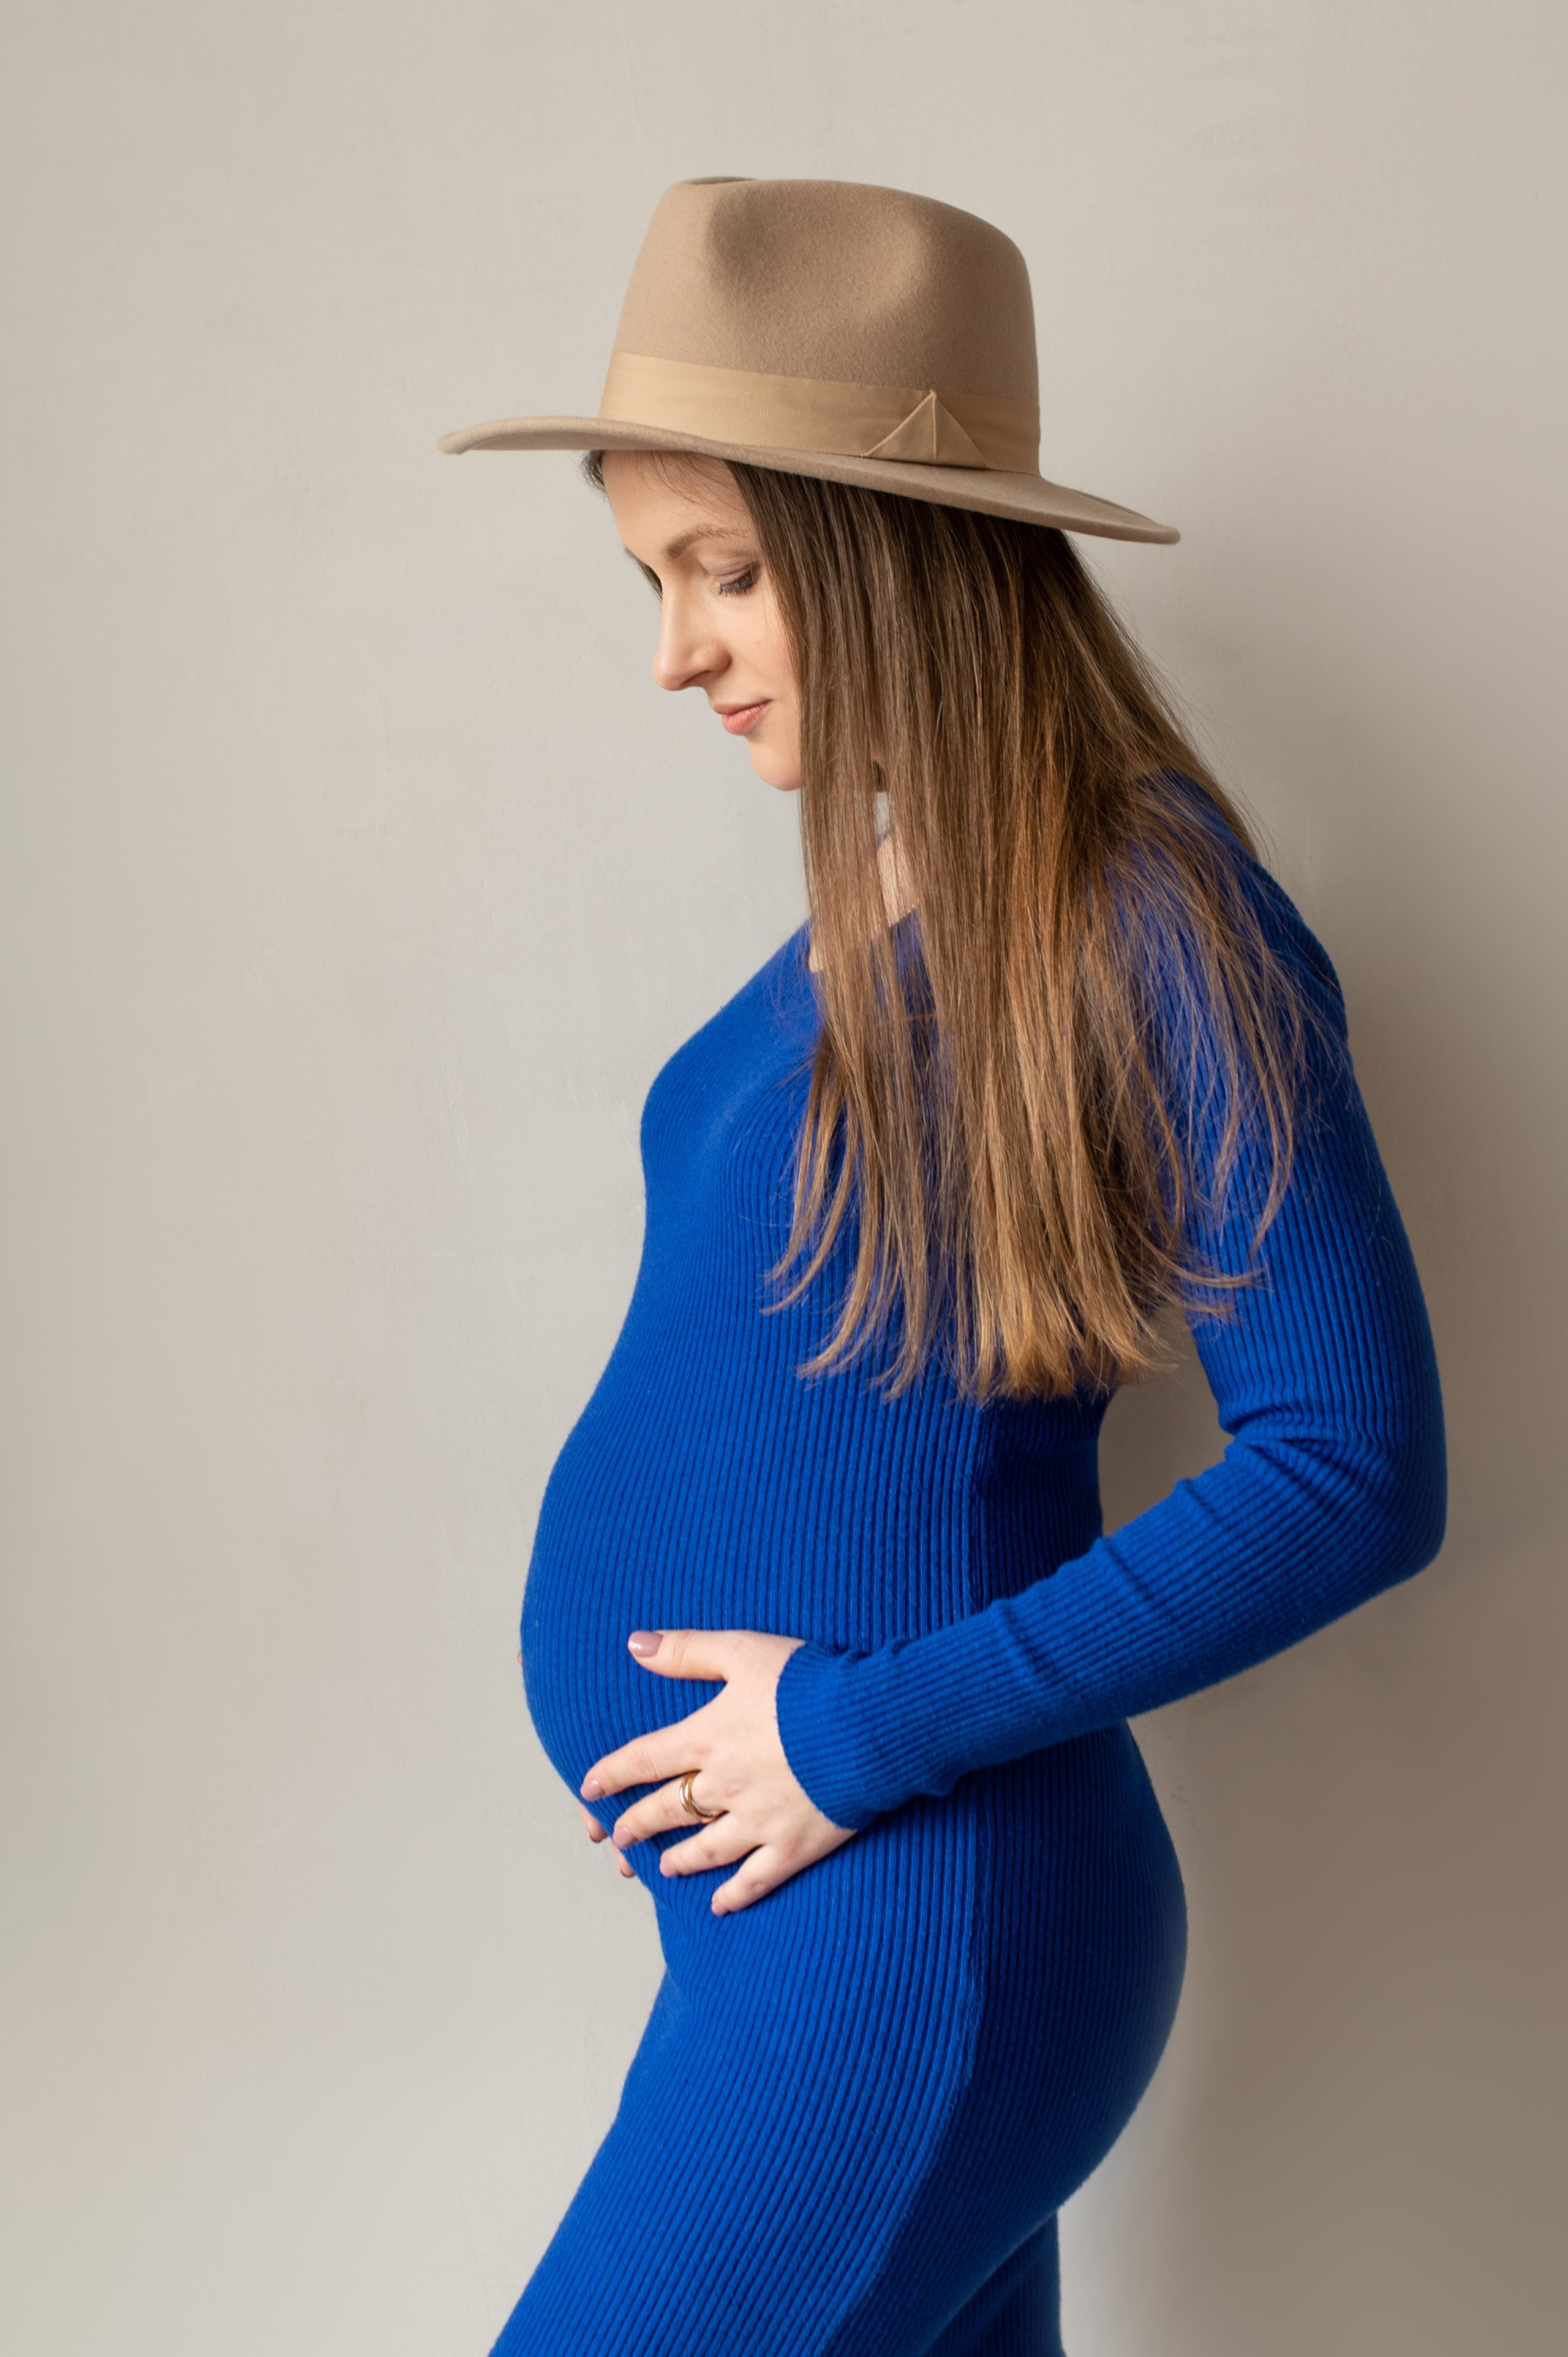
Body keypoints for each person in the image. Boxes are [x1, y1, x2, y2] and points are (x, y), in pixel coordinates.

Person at [439, 178, 1446, 2357]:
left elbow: (1352, 1465)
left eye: (727, 572)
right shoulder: (898, 890)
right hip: (811, 1920)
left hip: (913, 1917)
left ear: (903, 555)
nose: (676, 653)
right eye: (650, 579)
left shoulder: (1146, 904)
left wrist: (858, 1729)